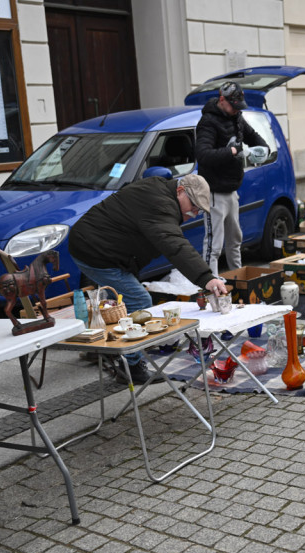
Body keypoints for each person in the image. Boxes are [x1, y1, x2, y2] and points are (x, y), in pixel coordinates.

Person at [68, 174, 229, 384]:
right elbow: (174, 245)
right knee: (140, 301)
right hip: (95, 251)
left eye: (198, 210)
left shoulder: (161, 194)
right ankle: (131, 368)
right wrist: (206, 278)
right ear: (180, 191)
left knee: (116, 305)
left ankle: (103, 349)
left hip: (100, 246)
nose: (194, 213)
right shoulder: (160, 205)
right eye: (193, 206)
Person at [195, 81, 268, 276]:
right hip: (213, 192)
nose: (236, 110)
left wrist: (263, 149)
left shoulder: (237, 117)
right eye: (233, 106)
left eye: (238, 107)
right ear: (222, 100)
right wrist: (233, 150)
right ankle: (211, 287)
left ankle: (238, 278)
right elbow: (203, 155)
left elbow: (253, 137)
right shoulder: (207, 123)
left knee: (235, 240)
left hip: (231, 189)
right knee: (213, 245)